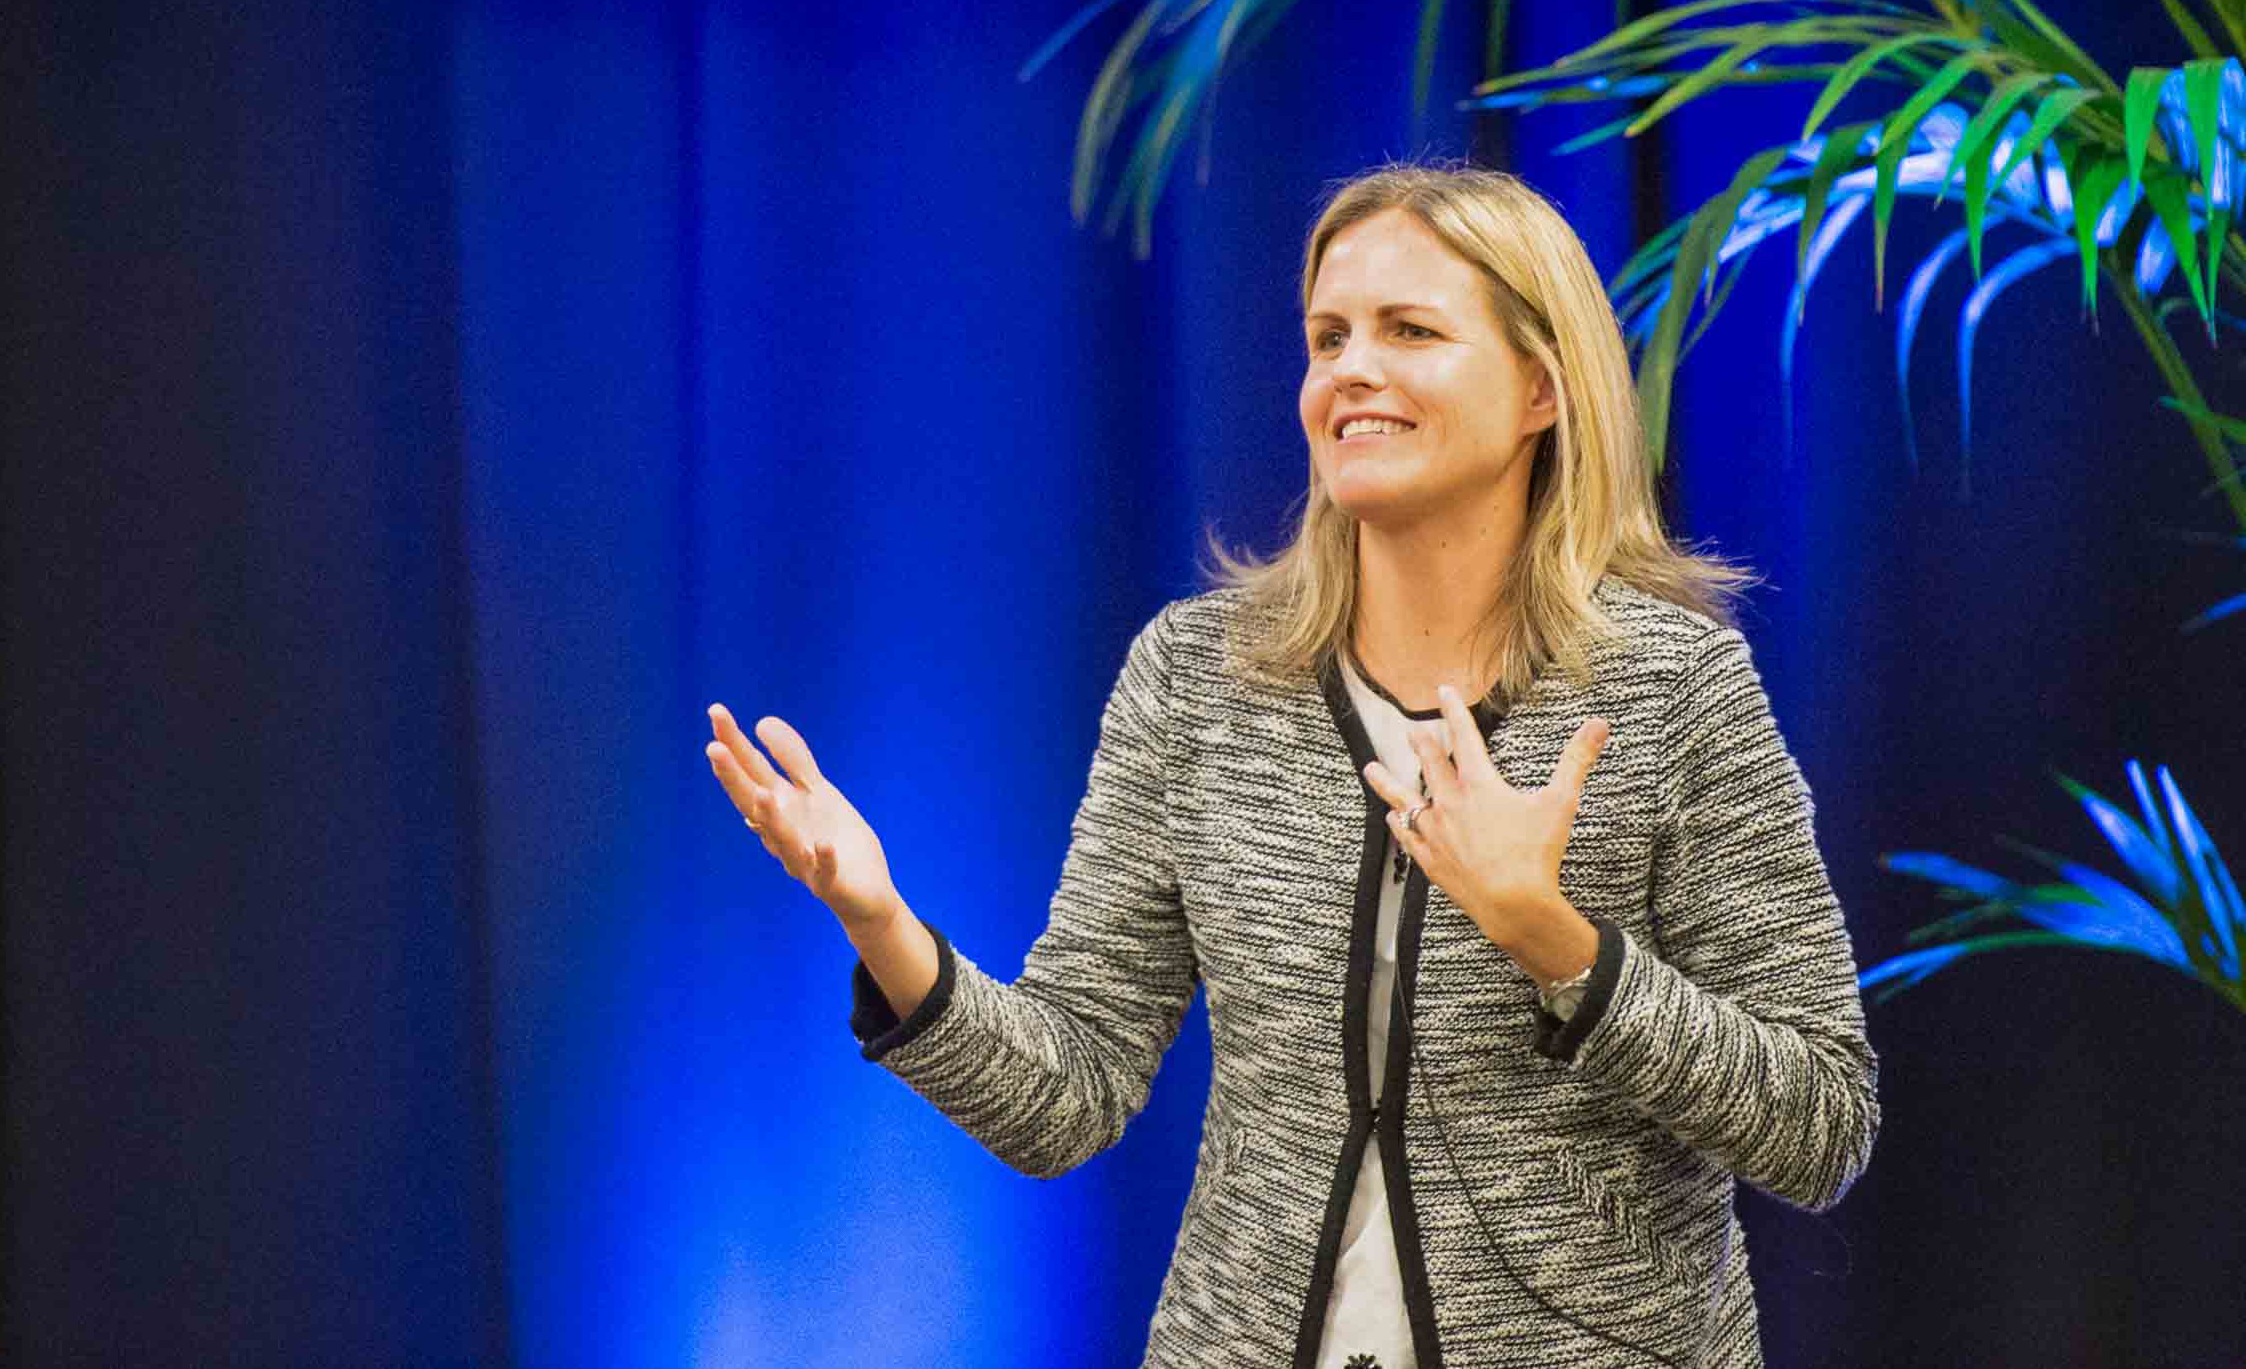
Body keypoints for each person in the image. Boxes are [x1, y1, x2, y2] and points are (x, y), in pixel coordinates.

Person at [702, 164, 1878, 1369]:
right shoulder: (1195, 677)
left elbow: (1821, 1122)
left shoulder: (1673, 691)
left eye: (1410, 330)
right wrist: (883, 920)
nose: (1350, 371)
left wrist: (1556, 943)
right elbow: (1069, 1093)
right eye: (1329, 337)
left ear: (1540, 385)